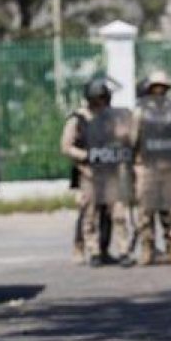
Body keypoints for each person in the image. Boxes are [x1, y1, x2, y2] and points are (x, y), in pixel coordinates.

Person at [60, 78, 135, 267]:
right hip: (89, 173)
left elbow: (126, 139)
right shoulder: (79, 118)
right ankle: (93, 251)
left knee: (118, 214)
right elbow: (66, 146)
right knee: (90, 215)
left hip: (112, 173)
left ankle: (123, 250)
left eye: (103, 98)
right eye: (97, 99)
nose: (101, 103)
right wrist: (86, 156)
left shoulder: (113, 117)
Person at [132, 70, 171, 266]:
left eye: (162, 87)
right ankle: (147, 248)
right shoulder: (139, 111)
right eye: (155, 87)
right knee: (145, 211)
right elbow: (133, 139)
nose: (159, 91)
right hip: (148, 166)